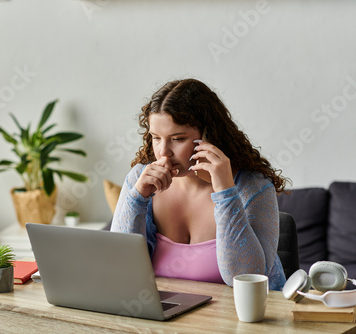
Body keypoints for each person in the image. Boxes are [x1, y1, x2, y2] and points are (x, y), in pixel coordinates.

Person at [110, 78, 288, 290]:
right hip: (165, 318)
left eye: (177, 138)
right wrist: (137, 199)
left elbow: (247, 279)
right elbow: (119, 268)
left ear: (209, 135)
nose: (163, 152)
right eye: (156, 138)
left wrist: (226, 193)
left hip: (240, 321)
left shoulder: (253, 187)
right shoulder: (139, 179)